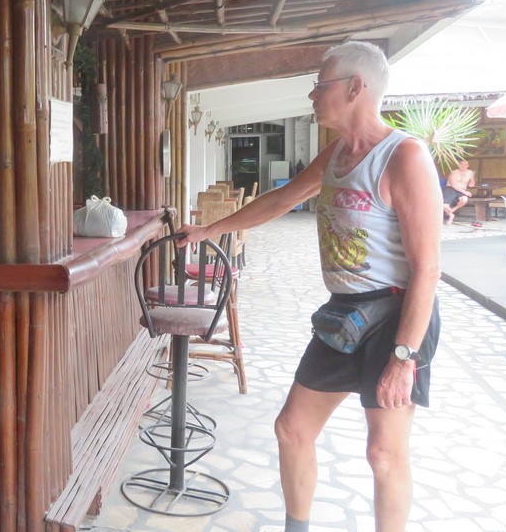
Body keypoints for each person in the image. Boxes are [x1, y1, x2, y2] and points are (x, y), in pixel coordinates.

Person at [179, 41, 441, 532]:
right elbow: (281, 200)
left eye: (321, 85)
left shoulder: (404, 156)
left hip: (397, 316)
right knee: (292, 429)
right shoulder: (337, 154)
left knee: (384, 452)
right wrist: (209, 230)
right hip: (345, 313)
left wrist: (403, 359)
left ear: (356, 88)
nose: (312, 94)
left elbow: (427, 269)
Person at [441, 159, 475, 225]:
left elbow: (472, 181)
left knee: (464, 199)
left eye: (465, 164)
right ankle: (451, 215)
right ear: (458, 165)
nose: (463, 166)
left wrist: (471, 183)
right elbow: (453, 185)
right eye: (461, 164)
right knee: (445, 205)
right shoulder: (454, 172)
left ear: (468, 166)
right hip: (451, 189)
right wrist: (465, 192)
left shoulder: (470, 172)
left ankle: (451, 211)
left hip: (462, 190)